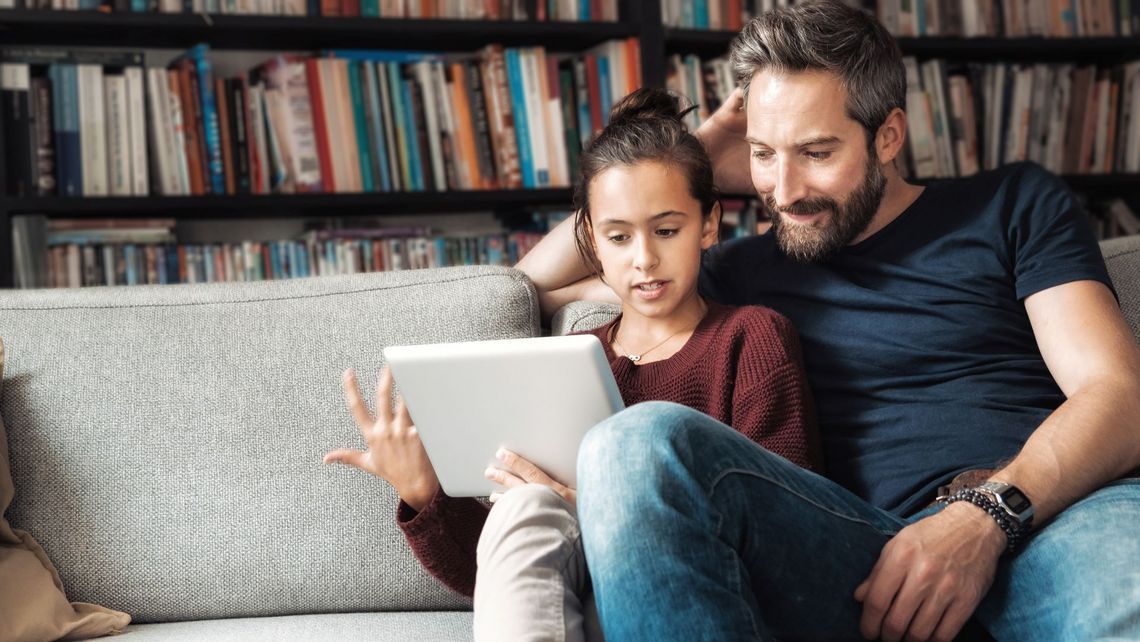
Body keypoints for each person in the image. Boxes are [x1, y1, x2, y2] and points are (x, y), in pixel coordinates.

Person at [515, 2, 1140, 641]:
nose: (783, 191)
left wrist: (985, 517)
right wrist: (682, 163)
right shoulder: (733, 268)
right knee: (631, 444)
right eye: (762, 153)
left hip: (1047, 516)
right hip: (861, 556)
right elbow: (530, 287)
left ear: (889, 135)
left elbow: (1118, 394)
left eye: (815, 152)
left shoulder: (1011, 205)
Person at [323, 87, 824, 642]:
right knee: (523, 509)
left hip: (686, 582)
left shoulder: (750, 337)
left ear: (708, 225)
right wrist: (423, 493)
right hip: (565, 588)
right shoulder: (570, 358)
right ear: (591, 240)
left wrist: (602, 513)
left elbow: (784, 528)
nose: (644, 259)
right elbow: (489, 575)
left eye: (667, 230)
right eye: (618, 236)